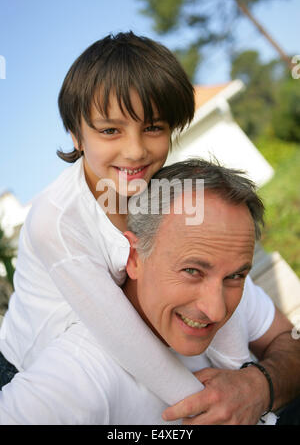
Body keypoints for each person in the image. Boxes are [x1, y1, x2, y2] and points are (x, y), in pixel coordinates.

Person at [0, 159, 299, 425]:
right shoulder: (84, 369)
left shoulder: (225, 281)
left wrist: (260, 386)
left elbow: (291, 342)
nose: (217, 310)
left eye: (236, 275)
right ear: (133, 257)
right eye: (192, 271)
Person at [0, 31, 202, 404]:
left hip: (105, 354)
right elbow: (126, 341)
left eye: (153, 127)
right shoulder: (57, 220)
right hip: (26, 369)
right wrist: (212, 406)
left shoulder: (158, 193)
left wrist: (244, 374)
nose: (136, 150)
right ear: (78, 135)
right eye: (110, 130)